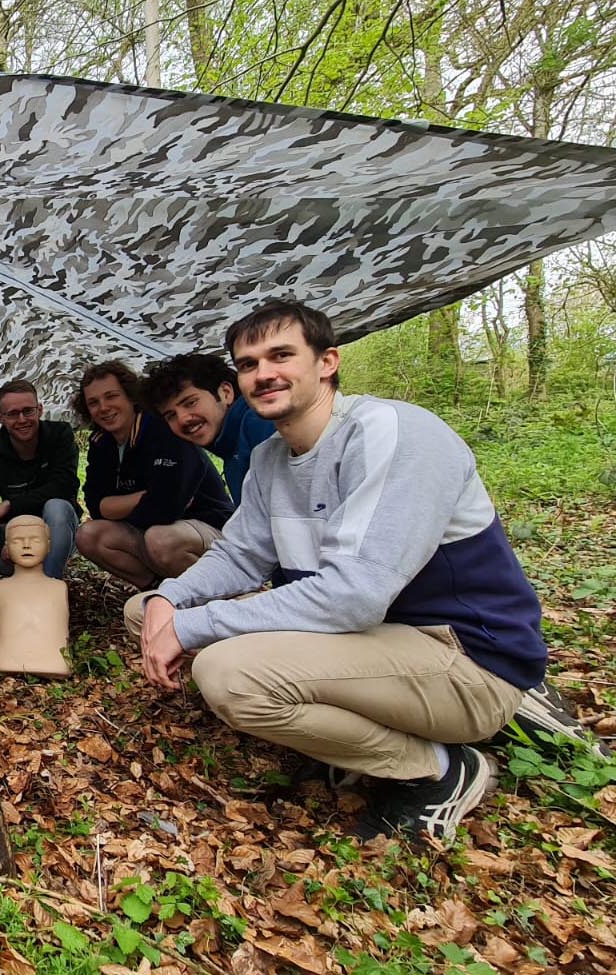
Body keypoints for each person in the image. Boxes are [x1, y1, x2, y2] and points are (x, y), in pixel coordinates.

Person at [131, 300, 574, 842]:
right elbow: (239, 555)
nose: (263, 373)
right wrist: (167, 601)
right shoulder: (272, 459)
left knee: (228, 673)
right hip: (371, 637)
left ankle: (437, 767)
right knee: (145, 612)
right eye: (248, 364)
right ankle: (357, 726)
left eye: (281, 355)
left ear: (327, 362)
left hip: (459, 651)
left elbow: (354, 596)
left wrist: (191, 626)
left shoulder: (392, 432)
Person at [72, 360, 233, 589]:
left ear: (130, 396)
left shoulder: (163, 428)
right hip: (153, 530)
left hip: (210, 527)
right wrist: (145, 497)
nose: (104, 407)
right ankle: (159, 590)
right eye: (94, 402)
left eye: (111, 396)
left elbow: (165, 509)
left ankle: (221, 597)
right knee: (89, 535)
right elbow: (96, 506)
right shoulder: (101, 443)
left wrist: (120, 506)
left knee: (160, 538)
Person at [0, 378, 81, 579]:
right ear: (0, 418)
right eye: (12, 414)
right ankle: (29, 578)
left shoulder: (60, 435)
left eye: (27, 411)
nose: (22, 420)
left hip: (56, 528)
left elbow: (64, 486)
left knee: (56, 507)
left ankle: (48, 583)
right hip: (21, 534)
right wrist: (3, 543)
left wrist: (10, 504)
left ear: (40, 409)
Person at [141, 353, 276, 506]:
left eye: (190, 403)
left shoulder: (259, 423)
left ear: (225, 393)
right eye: (170, 415)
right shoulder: (231, 450)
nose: (182, 419)